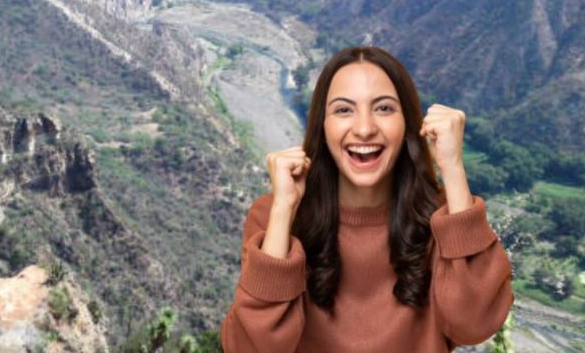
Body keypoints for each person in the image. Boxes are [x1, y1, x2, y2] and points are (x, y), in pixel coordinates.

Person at [220, 46, 513, 352]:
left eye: (384, 108)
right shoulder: (272, 217)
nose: (364, 129)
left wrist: (452, 168)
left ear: (408, 124)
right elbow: (248, 347)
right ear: (322, 126)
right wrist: (283, 210)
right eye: (343, 110)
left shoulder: (445, 221)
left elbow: (475, 323)